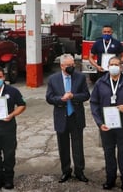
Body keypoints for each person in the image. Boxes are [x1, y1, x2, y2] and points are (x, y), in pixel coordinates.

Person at [90, 56, 123, 191]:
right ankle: (110, 179)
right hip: (106, 125)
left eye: (116, 64)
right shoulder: (101, 83)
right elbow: (94, 103)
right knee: (108, 152)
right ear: (108, 66)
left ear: (121, 67)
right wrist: (99, 123)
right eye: (111, 64)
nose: (114, 66)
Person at [46, 54, 90, 184]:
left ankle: (79, 171)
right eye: (68, 66)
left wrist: (73, 96)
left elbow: (86, 95)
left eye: (73, 65)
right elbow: (49, 97)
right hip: (61, 117)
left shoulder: (80, 77)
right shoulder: (53, 79)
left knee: (78, 146)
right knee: (63, 146)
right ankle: (66, 171)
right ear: (61, 66)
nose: (71, 67)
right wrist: (60, 99)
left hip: (76, 116)